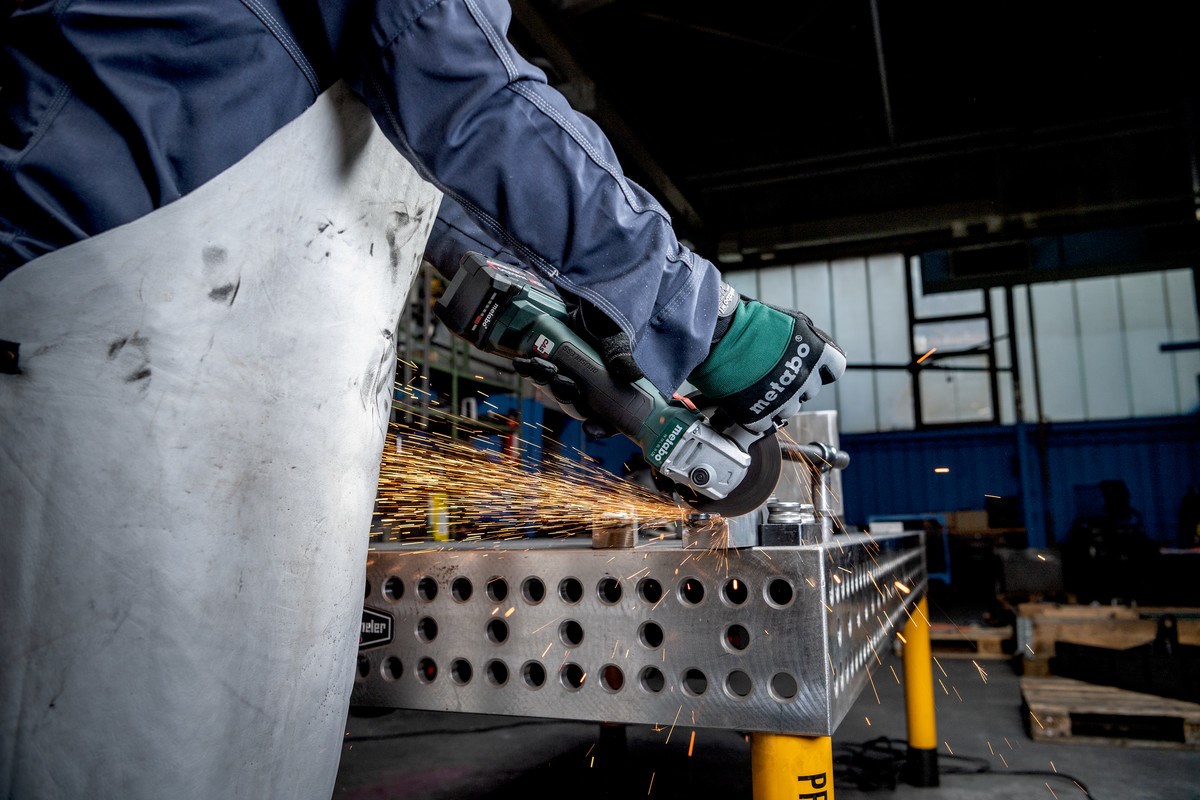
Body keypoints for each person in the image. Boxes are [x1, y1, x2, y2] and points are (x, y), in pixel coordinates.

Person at [1, 2, 844, 797]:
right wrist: (706, 319)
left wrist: (585, 337)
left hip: (200, 330)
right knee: (119, 733)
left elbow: (424, 163)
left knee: (245, 736)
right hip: (123, 327)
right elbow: (454, 71)